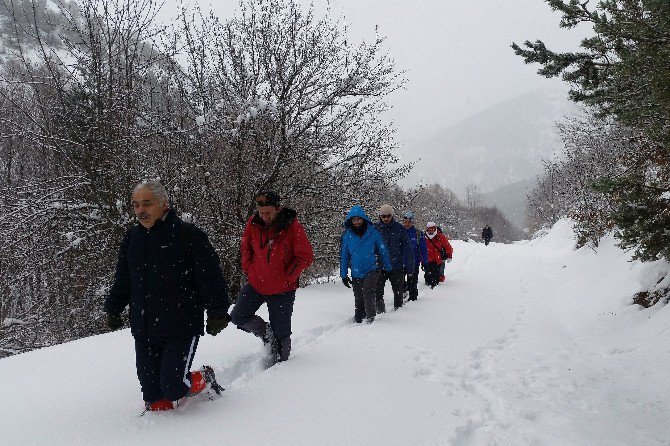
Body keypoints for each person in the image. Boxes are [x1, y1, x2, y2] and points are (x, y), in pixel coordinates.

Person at [105, 180, 231, 412]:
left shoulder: (187, 235)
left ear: (163, 204)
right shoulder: (132, 238)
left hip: (180, 325)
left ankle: (204, 379)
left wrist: (217, 312)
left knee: (172, 385)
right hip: (144, 326)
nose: (140, 210)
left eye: (147, 204)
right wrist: (114, 307)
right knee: (153, 395)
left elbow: (210, 277)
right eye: (135, 205)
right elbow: (124, 278)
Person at [230, 191, 313, 363]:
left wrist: (288, 276)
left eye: (268, 212)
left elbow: (305, 256)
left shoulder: (292, 226)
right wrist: (249, 268)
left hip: (283, 289)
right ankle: (266, 333)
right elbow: (246, 248)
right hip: (256, 284)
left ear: (278, 209)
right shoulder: (253, 224)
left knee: (282, 336)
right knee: (238, 316)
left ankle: (280, 371)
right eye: (261, 212)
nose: (264, 216)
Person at [340, 206, 393, 323]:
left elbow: (382, 250)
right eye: (354, 220)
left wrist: (388, 267)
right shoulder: (347, 236)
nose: (357, 222)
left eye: (359, 219)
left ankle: (371, 319)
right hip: (356, 271)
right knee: (358, 298)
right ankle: (359, 319)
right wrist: (343, 275)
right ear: (350, 220)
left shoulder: (373, 232)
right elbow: (344, 256)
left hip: (372, 268)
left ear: (363, 219)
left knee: (368, 291)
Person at [374, 204, 415, 311]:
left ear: (392, 216)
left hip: (396, 266)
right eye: (384, 216)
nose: (386, 218)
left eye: (388, 216)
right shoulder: (375, 228)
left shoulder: (399, 228)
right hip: (380, 266)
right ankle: (380, 312)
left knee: (398, 292)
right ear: (380, 216)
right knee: (378, 292)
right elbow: (369, 248)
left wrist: (410, 267)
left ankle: (398, 312)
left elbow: (408, 248)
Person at [401, 211, 427, 301]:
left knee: (412, 283)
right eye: (405, 222)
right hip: (400, 262)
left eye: (409, 222)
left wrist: (424, 262)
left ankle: (413, 300)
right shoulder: (399, 232)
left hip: (414, 263)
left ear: (413, 222)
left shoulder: (418, 233)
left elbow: (423, 249)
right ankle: (403, 293)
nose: (407, 224)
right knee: (399, 282)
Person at [423, 221, 453, 288]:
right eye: (429, 228)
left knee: (435, 278)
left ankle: (435, 289)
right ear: (427, 229)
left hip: (436, 260)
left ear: (435, 228)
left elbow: (447, 246)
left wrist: (449, 256)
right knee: (427, 278)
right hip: (426, 260)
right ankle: (429, 284)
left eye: (433, 228)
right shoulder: (424, 236)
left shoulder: (439, 236)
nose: (431, 230)